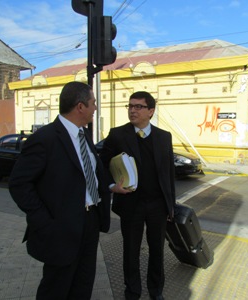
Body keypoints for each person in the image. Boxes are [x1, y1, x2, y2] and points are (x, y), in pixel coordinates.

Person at [9, 81, 111, 299]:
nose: (96, 108)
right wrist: (45, 222)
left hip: (89, 221)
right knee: (56, 288)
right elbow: (19, 184)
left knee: (83, 284)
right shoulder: (44, 139)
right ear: (80, 106)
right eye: (93, 103)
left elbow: (89, 175)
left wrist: (110, 188)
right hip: (60, 228)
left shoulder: (85, 136)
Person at [99, 91, 175, 300]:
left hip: (157, 205)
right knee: (131, 251)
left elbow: (169, 173)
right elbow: (101, 165)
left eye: (138, 106)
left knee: (157, 250)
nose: (133, 110)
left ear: (151, 111)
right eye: (130, 106)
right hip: (131, 203)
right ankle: (132, 291)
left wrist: (171, 207)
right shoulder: (118, 134)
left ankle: (155, 290)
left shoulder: (163, 137)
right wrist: (111, 185)